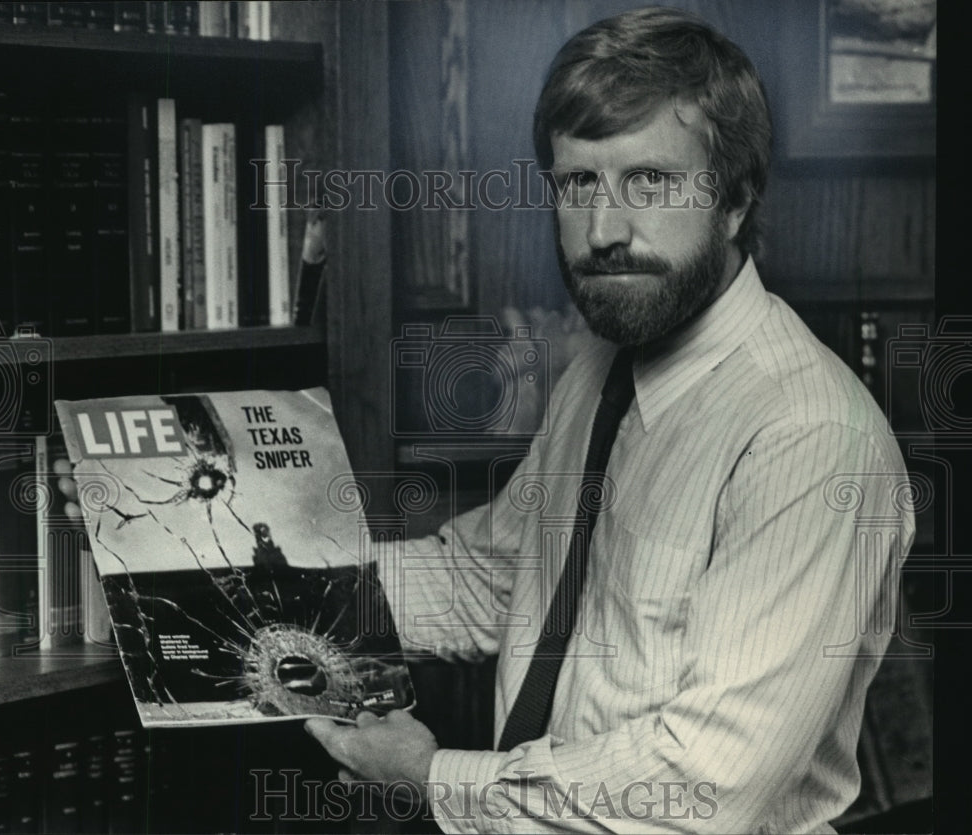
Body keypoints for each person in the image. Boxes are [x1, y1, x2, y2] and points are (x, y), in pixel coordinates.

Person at [303, 7, 914, 835]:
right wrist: (246, 583)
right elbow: (493, 576)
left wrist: (430, 774)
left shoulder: (808, 437)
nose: (603, 232)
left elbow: (705, 784)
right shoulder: (602, 368)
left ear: (735, 201)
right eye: (578, 183)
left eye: (651, 182)